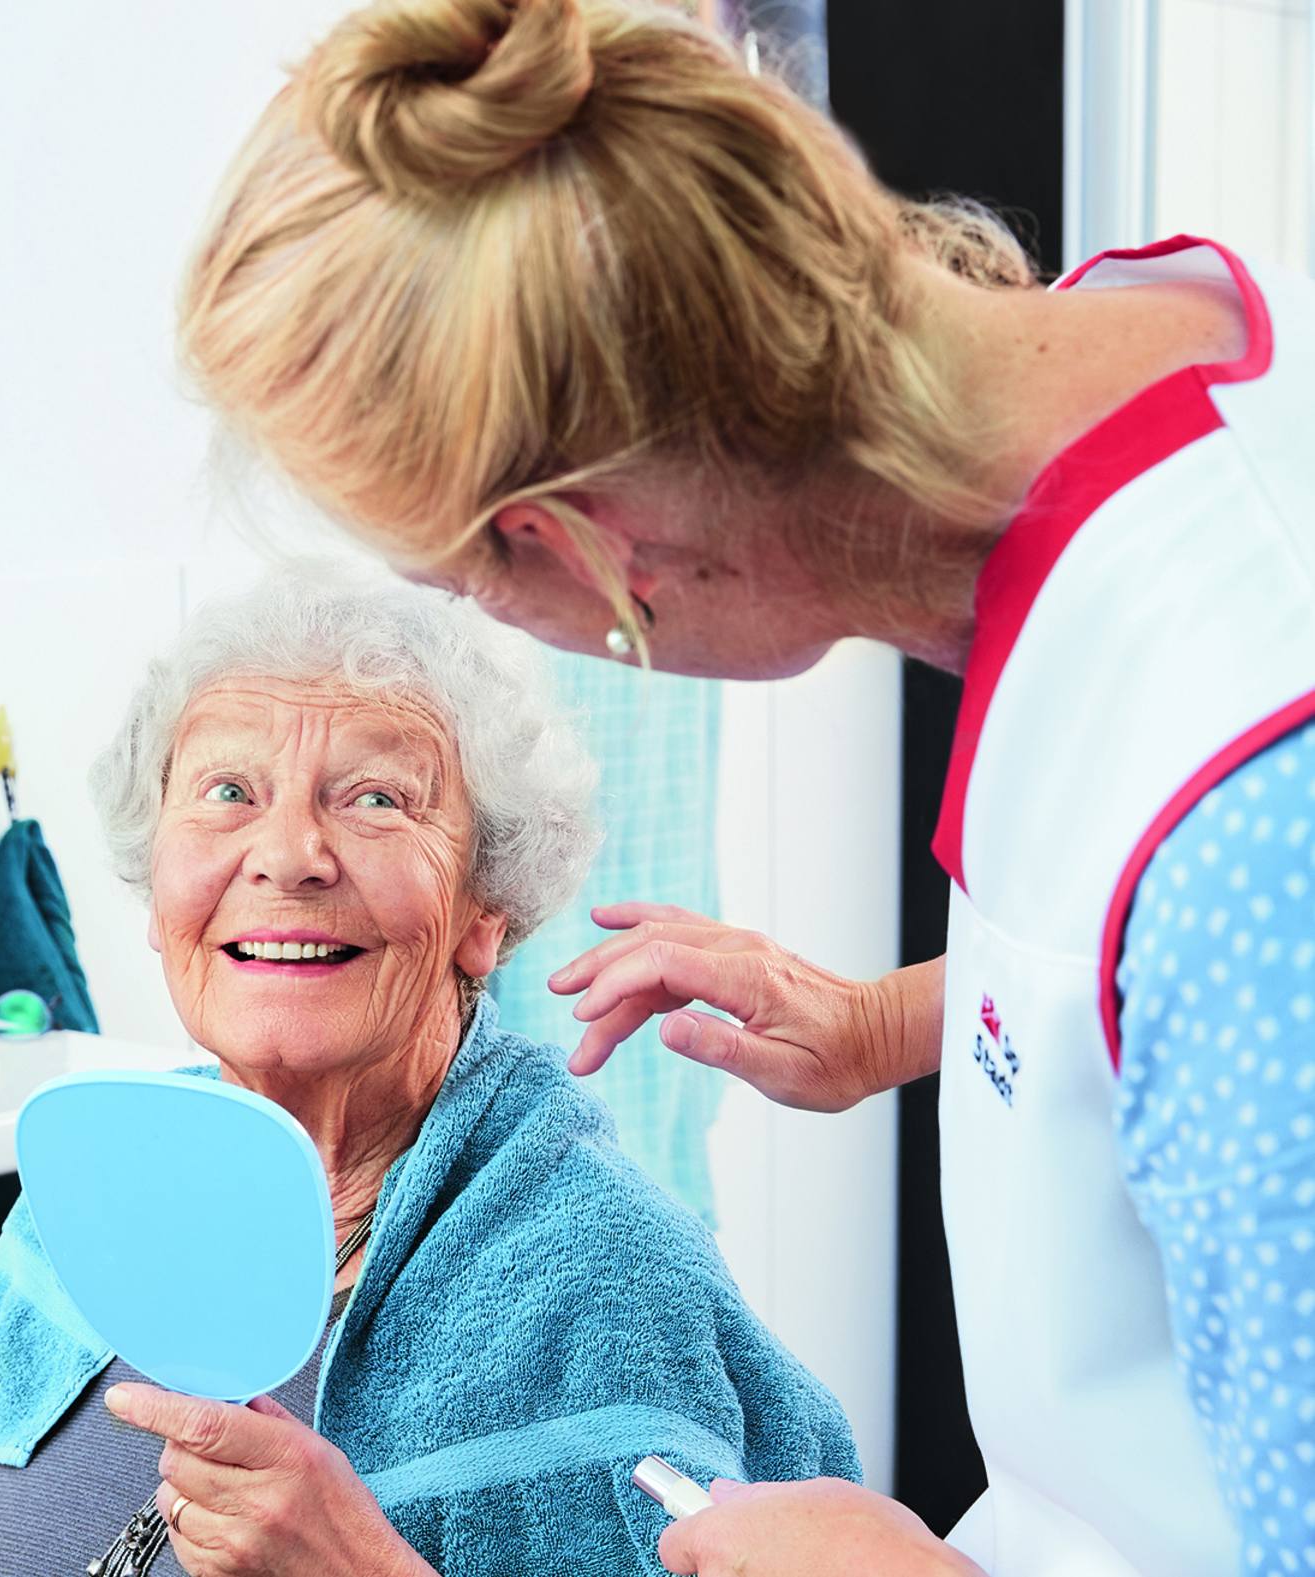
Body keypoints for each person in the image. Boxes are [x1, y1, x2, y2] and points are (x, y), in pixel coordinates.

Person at [174, 0, 1315, 1574]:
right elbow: (1168, 999)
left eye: (477, 592)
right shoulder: (1146, 349)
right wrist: (903, 1018)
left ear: (592, 553)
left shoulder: (1253, 796)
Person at [0, 566, 860, 1577]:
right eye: (229, 791)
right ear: (158, 883)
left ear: (488, 910)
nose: (289, 853)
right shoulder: (95, 1199)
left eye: (375, 798)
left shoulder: (605, 1290)